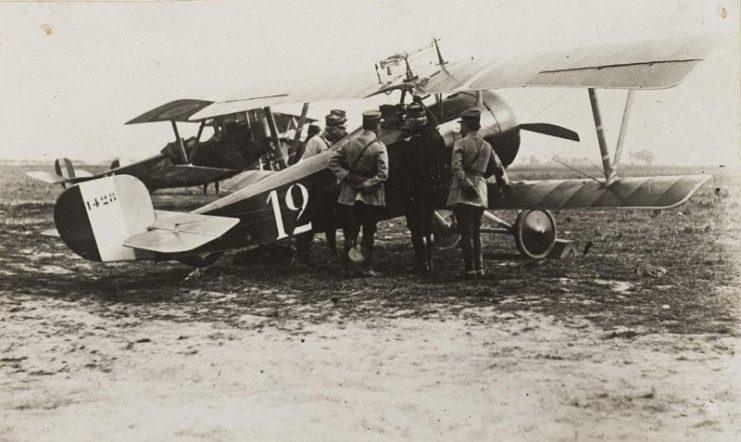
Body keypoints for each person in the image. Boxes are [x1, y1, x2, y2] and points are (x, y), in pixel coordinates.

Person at [446, 109, 511, 278]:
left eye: (462, 125)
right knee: (476, 232)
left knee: (466, 233)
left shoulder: (460, 144)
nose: (460, 128)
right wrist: (505, 183)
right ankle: (480, 268)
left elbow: (456, 168)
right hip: (481, 192)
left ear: (467, 125)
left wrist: (466, 184)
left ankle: (470, 270)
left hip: (464, 192)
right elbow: (499, 167)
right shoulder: (487, 146)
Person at [328, 110, 389, 276]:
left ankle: (349, 268)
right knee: (368, 232)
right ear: (377, 125)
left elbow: (332, 162)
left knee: (350, 232)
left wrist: (347, 176)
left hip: (349, 195)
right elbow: (383, 174)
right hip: (371, 196)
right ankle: (365, 267)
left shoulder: (350, 143)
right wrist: (367, 185)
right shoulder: (379, 146)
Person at [401, 102, 448, 273]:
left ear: (414, 121)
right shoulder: (436, 136)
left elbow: (412, 168)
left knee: (417, 228)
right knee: (428, 226)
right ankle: (429, 262)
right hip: (433, 190)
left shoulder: (416, 142)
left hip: (418, 191)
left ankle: (422, 264)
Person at [293, 113, 345, 267]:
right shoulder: (316, 141)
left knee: (331, 222)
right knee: (309, 224)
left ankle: (332, 252)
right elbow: (305, 165)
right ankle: (302, 257)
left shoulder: (332, 141)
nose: (343, 130)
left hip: (327, 190)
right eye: (340, 127)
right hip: (315, 190)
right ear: (331, 128)